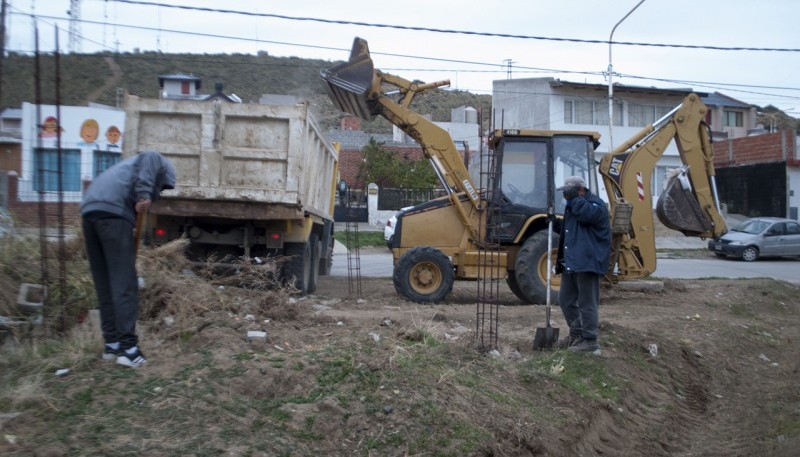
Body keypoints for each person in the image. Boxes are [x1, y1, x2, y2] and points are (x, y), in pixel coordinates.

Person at [81, 151, 177, 368]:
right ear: (161, 176)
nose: (160, 192)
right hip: (112, 214)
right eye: (162, 187)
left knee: (105, 283)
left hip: (90, 212)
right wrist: (145, 194)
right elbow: (151, 156)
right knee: (124, 283)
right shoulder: (157, 161)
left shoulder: (124, 171)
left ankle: (112, 346)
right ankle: (129, 351)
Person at [554, 176, 611, 354]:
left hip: (588, 261)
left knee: (587, 303)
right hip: (572, 261)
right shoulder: (575, 206)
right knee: (566, 300)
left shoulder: (596, 205)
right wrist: (555, 223)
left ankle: (590, 340)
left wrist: (575, 200)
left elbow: (587, 215)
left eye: (567, 191)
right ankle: (577, 333)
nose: (565, 195)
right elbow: (572, 231)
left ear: (580, 190)